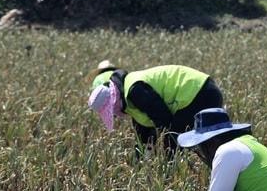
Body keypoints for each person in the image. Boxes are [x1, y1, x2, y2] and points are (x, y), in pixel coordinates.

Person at [87, 61, 224, 150]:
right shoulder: (129, 99)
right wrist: (142, 154)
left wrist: (164, 151)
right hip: (201, 91)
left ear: (114, 100)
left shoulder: (135, 91)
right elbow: (143, 133)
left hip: (198, 93)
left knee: (174, 143)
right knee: (187, 143)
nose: (115, 114)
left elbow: (163, 119)